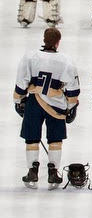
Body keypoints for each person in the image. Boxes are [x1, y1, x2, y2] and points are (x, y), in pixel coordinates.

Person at [15, 28, 80, 189]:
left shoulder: (30, 56)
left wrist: (18, 100)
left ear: (44, 39)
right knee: (55, 139)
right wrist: (72, 106)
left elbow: (21, 80)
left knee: (31, 137)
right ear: (58, 42)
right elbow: (73, 87)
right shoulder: (66, 60)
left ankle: (32, 170)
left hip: (34, 102)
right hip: (56, 104)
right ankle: (53, 171)